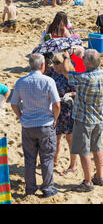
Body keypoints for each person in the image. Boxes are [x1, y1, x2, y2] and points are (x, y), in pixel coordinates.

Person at [10, 53, 61, 197]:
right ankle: (48, 189)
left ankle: (30, 189)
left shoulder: (21, 82)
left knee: (29, 159)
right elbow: (57, 104)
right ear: (43, 65)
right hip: (45, 124)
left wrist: (21, 116)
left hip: (28, 126)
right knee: (47, 158)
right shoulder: (48, 81)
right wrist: (55, 119)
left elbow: (14, 104)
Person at [61, 49, 103, 192]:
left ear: (87, 63)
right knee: (97, 148)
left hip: (84, 119)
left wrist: (66, 57)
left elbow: (66, 71)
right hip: (98, 118)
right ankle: (99, 176)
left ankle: (88, 182)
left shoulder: (85, 78)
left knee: (84, 151)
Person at [51, 54, 77, 176]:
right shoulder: (54, 73)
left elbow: (78, 91)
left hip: (68, 110)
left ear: (63, 63)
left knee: (70, 138)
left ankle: (73, 165)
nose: (54, 65)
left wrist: (70, 95)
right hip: (57, 110)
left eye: (57, 62)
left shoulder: (70, 75)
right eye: (53, 62)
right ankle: (54, 160)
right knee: (55, 137)